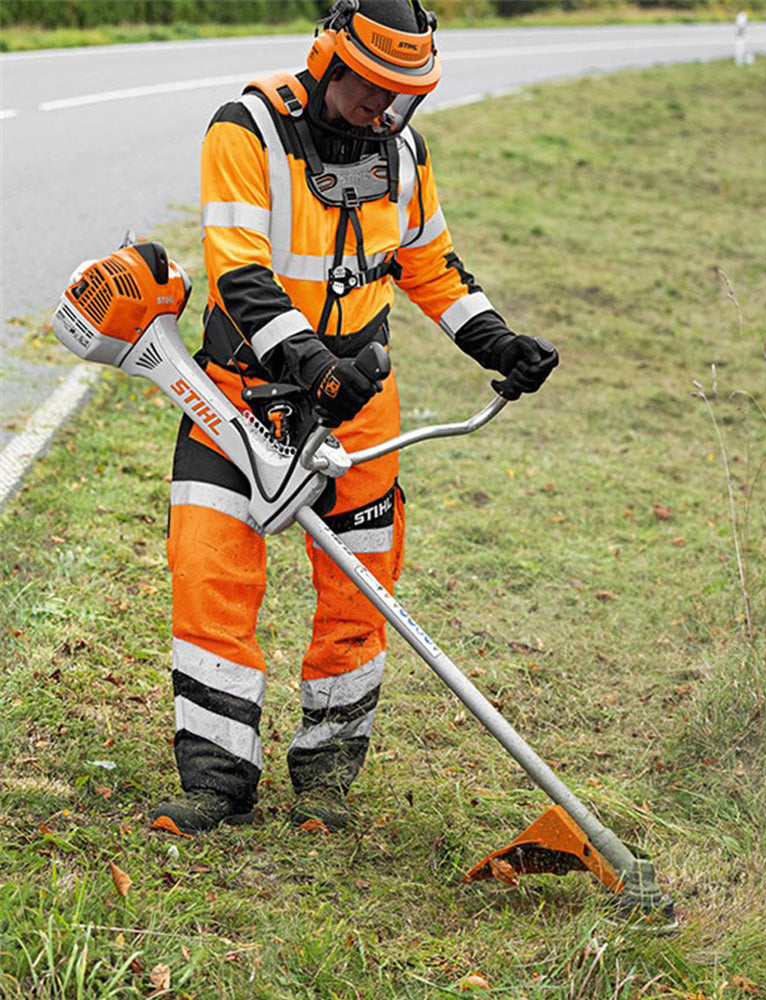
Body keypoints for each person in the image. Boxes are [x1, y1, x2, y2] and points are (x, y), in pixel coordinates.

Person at [150, 0, 558, 835]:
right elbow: (241, 274)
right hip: (237, 398)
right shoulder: (248, 129)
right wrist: (312, 369)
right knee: (210, 579)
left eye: (402, 95)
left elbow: (430, 265)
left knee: (359, 593)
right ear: (329, 60)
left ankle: (327, 780)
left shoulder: (401, 150)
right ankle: (217, 782)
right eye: (372, 88)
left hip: (360, 410)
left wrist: (497, 343)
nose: (385, 110)